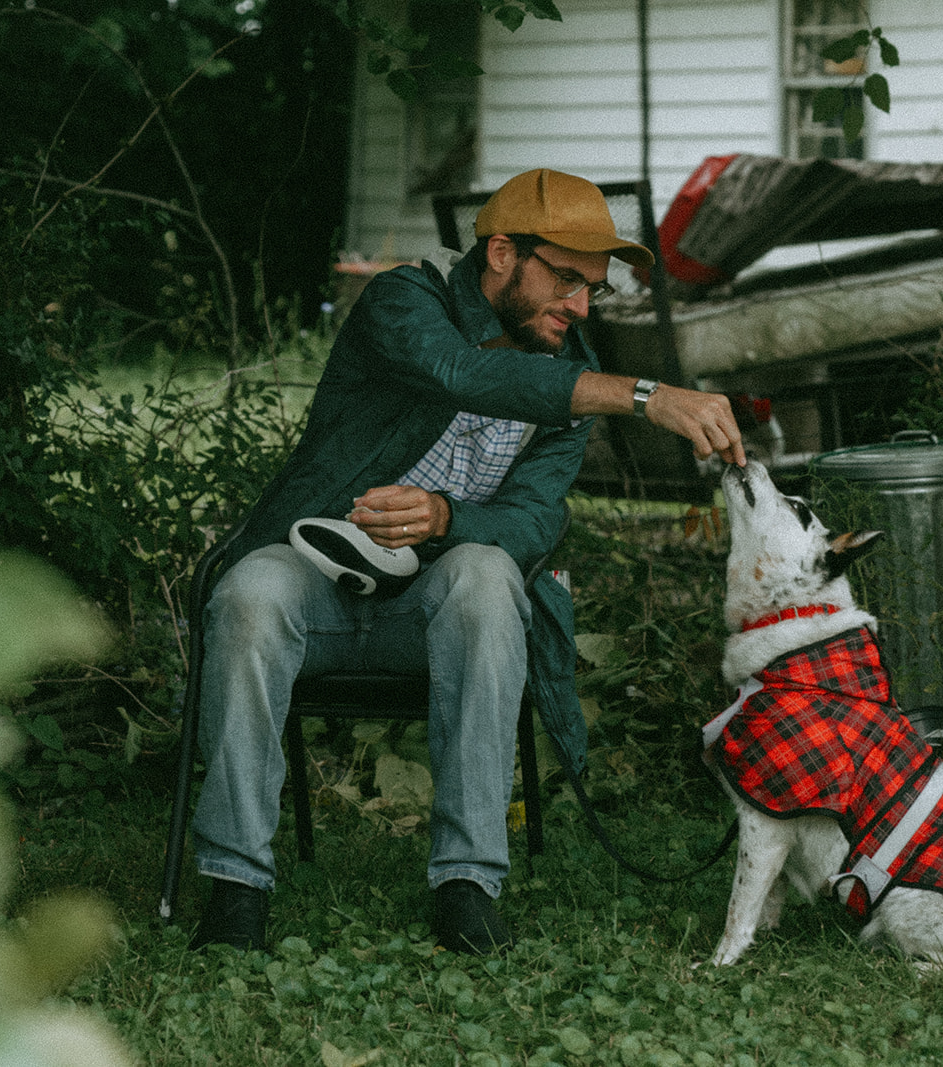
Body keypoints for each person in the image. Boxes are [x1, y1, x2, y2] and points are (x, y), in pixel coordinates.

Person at [187, 168, 745, 954]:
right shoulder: (403, 302)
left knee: (488, 575)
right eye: (565, 279)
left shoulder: (569, 370)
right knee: (248, 592)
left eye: (592, 288)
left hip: (431, 612)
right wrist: (648, 395)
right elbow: (461, 373)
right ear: (501, 253)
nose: (580, 305)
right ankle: (236, 886)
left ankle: (466, 884)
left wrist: (448, 518)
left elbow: (529, 522)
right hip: (318, 578)